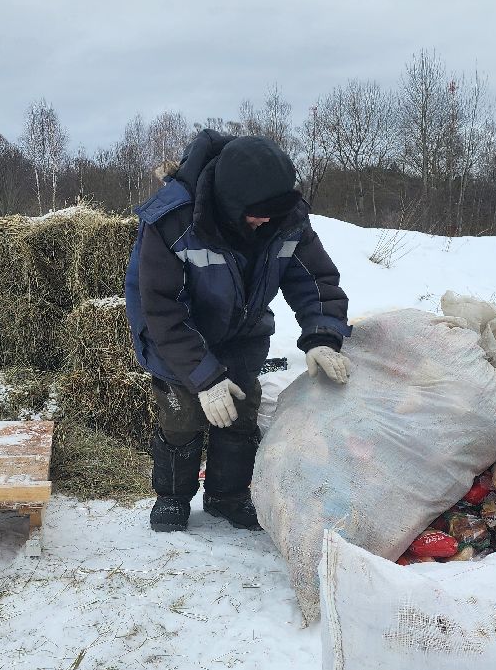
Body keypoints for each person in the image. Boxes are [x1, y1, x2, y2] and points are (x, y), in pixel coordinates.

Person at [124, 129, 352, 532]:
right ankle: (172, 498)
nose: (265, 220)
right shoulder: (172, 220)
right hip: (176, 339)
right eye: (257, 211)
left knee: (239, 416)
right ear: (230, 200)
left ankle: (226, 497)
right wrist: (204, 376)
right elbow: (161, 307)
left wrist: (321, 336)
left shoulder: (285, 220)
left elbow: (314, 280)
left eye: (274, 212)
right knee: (183, 420)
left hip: (243, 334)